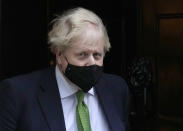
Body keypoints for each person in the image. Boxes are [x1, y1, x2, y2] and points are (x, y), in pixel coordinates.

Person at [0, 7, 131, 131]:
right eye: (82, 55)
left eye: (97, 55)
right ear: (59, 55)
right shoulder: (18, 93)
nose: (91, 63)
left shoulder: (116, 89)